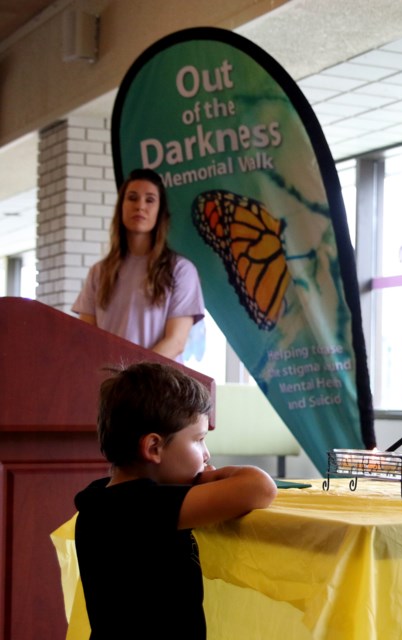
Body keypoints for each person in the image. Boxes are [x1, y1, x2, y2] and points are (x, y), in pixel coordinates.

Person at [74, 362, 278, 639]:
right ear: (154, 447)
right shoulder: (139, 507)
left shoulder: (104, 497)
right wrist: (209, 478)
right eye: (199, 440)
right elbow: (260, 487)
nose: (206, 455)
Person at [72, 168, 204, 362]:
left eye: (149, 200)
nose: (140, 206)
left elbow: (175, 342)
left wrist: (130, 376)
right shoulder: (99, 272)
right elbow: (86, 338)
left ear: (160, 211)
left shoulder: (181, 271)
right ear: (121, 206)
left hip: (158, 386)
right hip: (109, 386)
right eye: (132, 198)